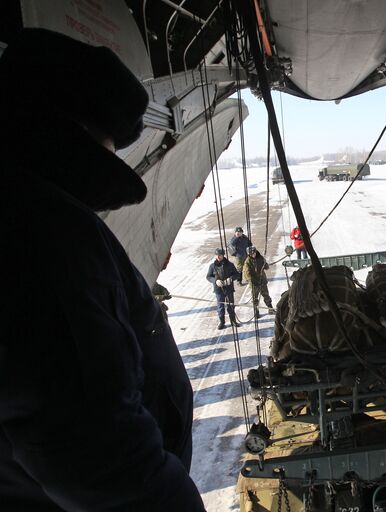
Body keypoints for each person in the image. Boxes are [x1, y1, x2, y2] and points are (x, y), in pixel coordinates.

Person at [0, 29, 204, 510]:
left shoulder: (29, 214)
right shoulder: (43, 232)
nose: (113, 157)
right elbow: (96, 451)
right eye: (108, 145)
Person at [207, 248, 241, 329]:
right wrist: (215, 281)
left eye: (220, 255)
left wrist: (231, 279)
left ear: (223, 255)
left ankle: (233, 320)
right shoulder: (212, 266)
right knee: (220, 306)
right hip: (218, 289)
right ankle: (222, 322)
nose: (218, 257)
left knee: (231, 305)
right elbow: (208, 276)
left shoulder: (230, 264)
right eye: (217, 255)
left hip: (228, 288)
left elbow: (237, 274)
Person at [242, 246, 275, 318]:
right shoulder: (247, 261)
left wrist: (265, 265)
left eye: (254, 253)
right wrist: (252, 281)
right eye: (251, 254)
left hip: (262, 281)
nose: (253, 254)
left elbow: (266, 267)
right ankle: (256, 312)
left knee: (266, 295)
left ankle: (270, 308)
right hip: (254, 283)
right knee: (255, 299)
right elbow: (246, 273)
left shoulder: (260, 257)